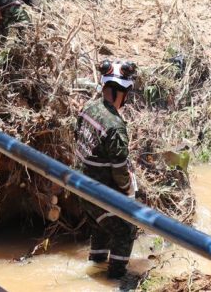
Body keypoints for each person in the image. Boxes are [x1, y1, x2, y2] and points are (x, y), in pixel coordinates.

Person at [75, 59, 139, 279]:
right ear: (124, 93)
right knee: (125, 231)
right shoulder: (115, 125)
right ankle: (115, 279)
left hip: (81, 187)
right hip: (100, 192)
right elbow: (120, 170)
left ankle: (96, 265)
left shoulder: (87, 109)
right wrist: (129, 189)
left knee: (101, 225)